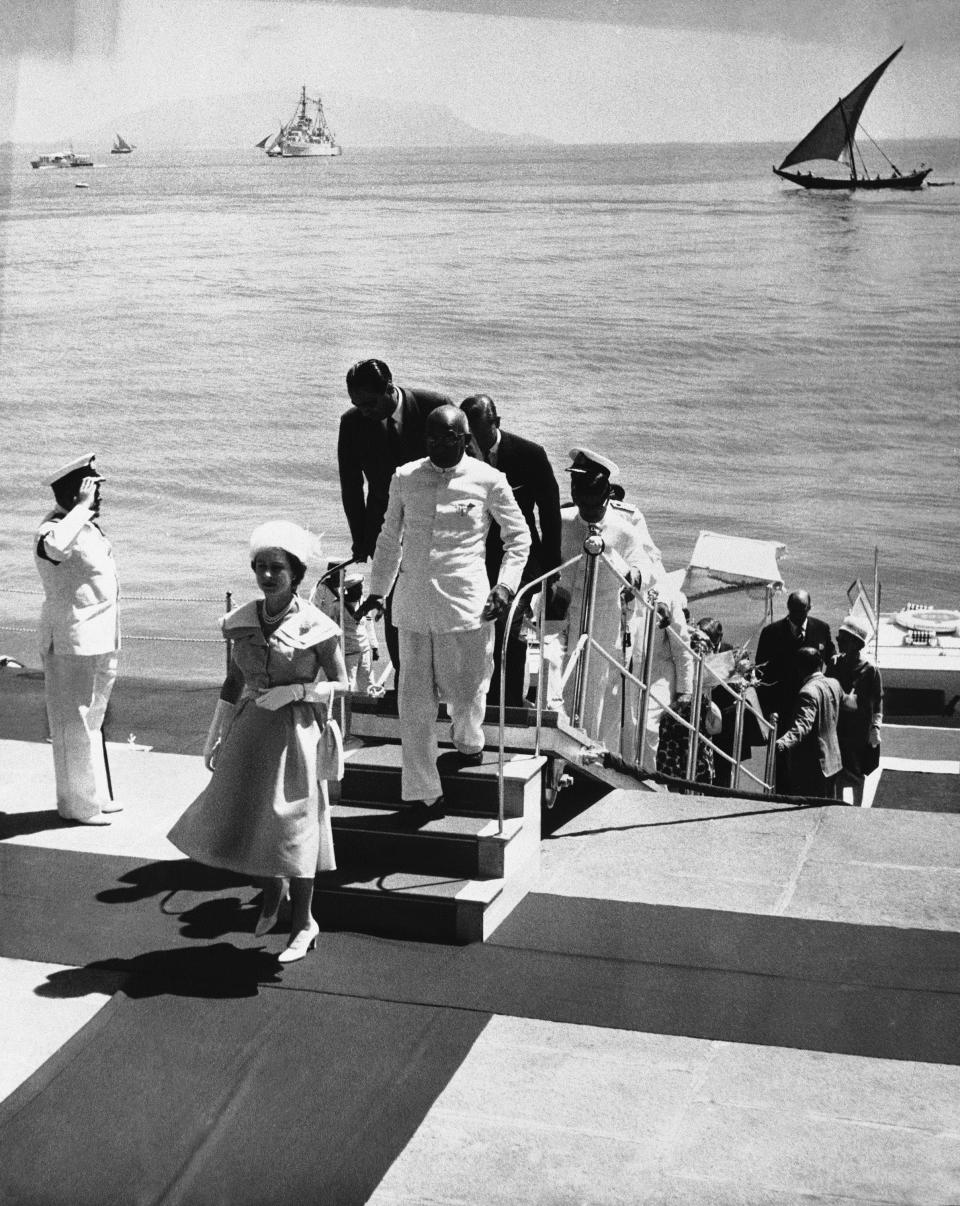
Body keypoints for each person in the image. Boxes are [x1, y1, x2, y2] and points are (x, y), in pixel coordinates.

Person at [168, 522, 348, 964]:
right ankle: (273, 892)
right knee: (252, 817)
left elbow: (345, 684)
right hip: (251, 732)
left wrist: (301, 691)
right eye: (261, 568)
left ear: (297, 574)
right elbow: (232, 681)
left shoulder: (318, 625)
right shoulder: (241, 620)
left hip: (297, 733)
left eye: (277, 569)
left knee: (295, 827)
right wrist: (216, 734)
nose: (268, 576)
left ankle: (305, 921)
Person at [361, 406, 530, 808]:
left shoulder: (488, 480)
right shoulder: (405, 478)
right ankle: (423, 792)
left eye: (448, 438)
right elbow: (388, 539)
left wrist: (506, 586)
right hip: (414, 606)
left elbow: (518, 539)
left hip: (467, 606)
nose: (438, 446)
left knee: (468, 689)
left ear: (465, 438)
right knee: (414, 704)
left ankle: (469, 738)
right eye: (431, 439)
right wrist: (377, 590)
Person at [549, 447, 684, 761]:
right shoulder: (563, 519)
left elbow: (650, 566)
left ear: (604, 491)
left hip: (608, 612)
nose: (581, 496)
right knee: (554, 674)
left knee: (600, 689)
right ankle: (559, 743)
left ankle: (590, 751)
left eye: (588, 489)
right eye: (577, 488)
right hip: (562, 608)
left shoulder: (627, 524)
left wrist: (650, 591)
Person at [337, 358, 453, 678]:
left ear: (390, 388)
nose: (364, 411)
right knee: (394, 601)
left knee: (437, 597)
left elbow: (462, 470)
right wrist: (360, 538)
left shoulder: (436, 408)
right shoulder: (351, 423)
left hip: (434, 524)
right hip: (384, 526)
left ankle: (441, 673)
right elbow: (351, 485)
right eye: (357, 404)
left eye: (370, 403)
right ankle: (404, 677)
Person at [33, 454, 121, 825]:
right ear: (73, 494)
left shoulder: (86, 527)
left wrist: (83, 512)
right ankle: (77, 805)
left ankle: (95, 795)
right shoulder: (52, 530)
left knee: (93, 718)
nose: (98, 496)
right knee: (73, 722)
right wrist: (81, 508)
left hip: (101, 635)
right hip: (72, 639)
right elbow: (53, 549)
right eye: (92, 489)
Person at [460, 394, 562, 707]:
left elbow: (549, 510)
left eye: (479, 434)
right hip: (475, 556)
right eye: (468, 435)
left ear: (497, 424)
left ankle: (509, 704)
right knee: (473, 627)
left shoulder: (529, 454)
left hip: (520, 554)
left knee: (509, 626)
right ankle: (476, 698)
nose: (473, 442)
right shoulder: (458, 457)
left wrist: (550, 569)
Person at [755, 590, 836, 735]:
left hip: (813, 704)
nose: (798, 614)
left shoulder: (821, 629)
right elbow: (761, 672)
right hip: (781, 707)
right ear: (788, 607)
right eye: (794, 609)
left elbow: (831, 657)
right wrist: (767, 709)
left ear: (810, 607)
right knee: (782, 751)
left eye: (802, 610)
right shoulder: (771, 633)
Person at [826, 614, 883, 806]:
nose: (839, 643)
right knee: (837, 772)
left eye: (842, 640)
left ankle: (858, 809)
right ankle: (838, 807)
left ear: (855, 643)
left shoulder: (871, 669)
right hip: (837, 728)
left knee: (857, 772)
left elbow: (878, 700)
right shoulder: (834, 664)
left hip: (858, 732)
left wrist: (876, 727)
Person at [775, 646, 844, 799]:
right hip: (833, 761)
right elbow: (847, 703)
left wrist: (782, 742)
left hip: (813, 767)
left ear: (800, 668)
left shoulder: (808, 692)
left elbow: (803, 724)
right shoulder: (834, 684)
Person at [310, 559, 378, 693]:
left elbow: (368, 624)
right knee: (348, 686)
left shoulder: (363, 602)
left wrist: (374, 646)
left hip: (364, 650)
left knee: (369, 684)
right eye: (358, 588)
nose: (361, 590)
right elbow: (322, 619)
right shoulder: (333, 603)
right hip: (347, 652)